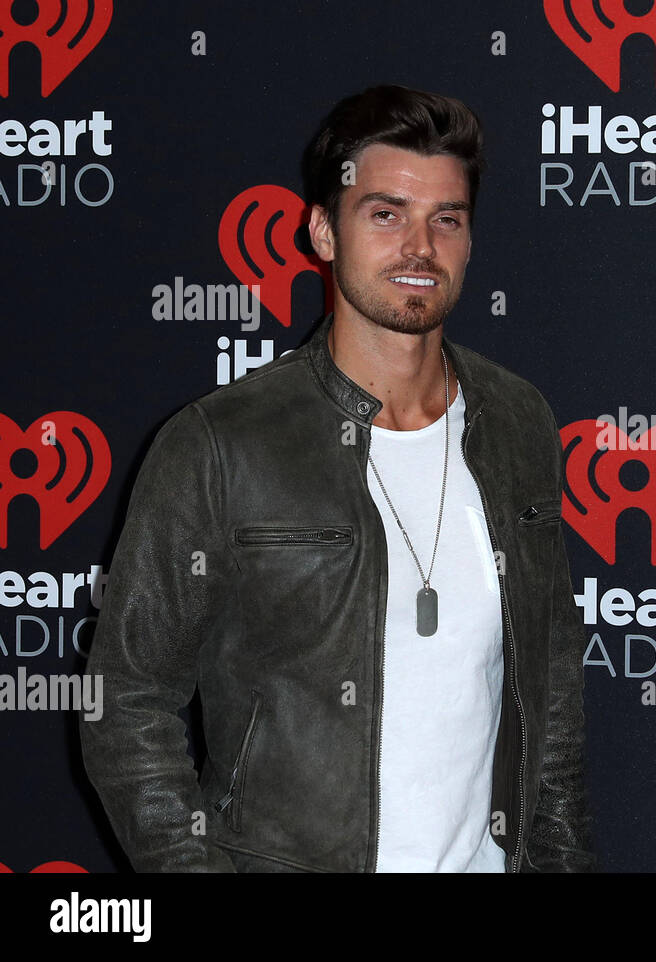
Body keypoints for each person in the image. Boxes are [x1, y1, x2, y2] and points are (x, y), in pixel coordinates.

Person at [81, 85, 594, 872]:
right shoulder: (220, 443)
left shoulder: (519, 422)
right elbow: (126, 703)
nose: (419, 248)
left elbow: (550, 694)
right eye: (384, 214)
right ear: (323, 231)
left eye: (446, 219)